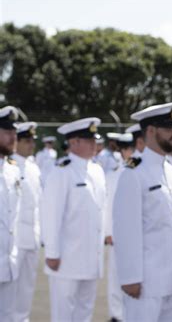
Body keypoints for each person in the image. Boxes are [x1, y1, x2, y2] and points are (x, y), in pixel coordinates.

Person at [113, 102, 172, 321]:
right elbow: (125, 229)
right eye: (169, 128)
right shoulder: (132, 173)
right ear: (151, 131)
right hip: (145, 282)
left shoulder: (170, 171)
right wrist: (129, 277)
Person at [40, 117, 106, 321]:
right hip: (66, 259)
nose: (95, 144)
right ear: (74, 142)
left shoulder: (96, 170)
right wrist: (52, 252)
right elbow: (51, 215)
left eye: (95, 139)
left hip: (91, 258)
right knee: (64, 314)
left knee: (84, 312)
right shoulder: (61, 172)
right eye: (89, 140)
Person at [12, 122, 42, 321]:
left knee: (26, 289)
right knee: (9, 291)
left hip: (32, 237)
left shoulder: (33, 167)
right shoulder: (8, 166)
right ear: (16, 142)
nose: (31, 145)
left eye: (32, 141)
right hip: (14, 241)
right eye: (27, 141)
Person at [103, 132, 134, 322]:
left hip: (134, 234)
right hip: (117, 234)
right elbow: (108, 205)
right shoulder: (115, 174)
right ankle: (116, 315)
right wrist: (108, 232)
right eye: (128, 149)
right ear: (122, 151)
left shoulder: (138, 171)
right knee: (115, 277)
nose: (131, 153)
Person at [0, 106, 21, 321]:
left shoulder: (13, 170)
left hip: (8, 263)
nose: (13, 137)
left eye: (14, 132)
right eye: (7, 132)